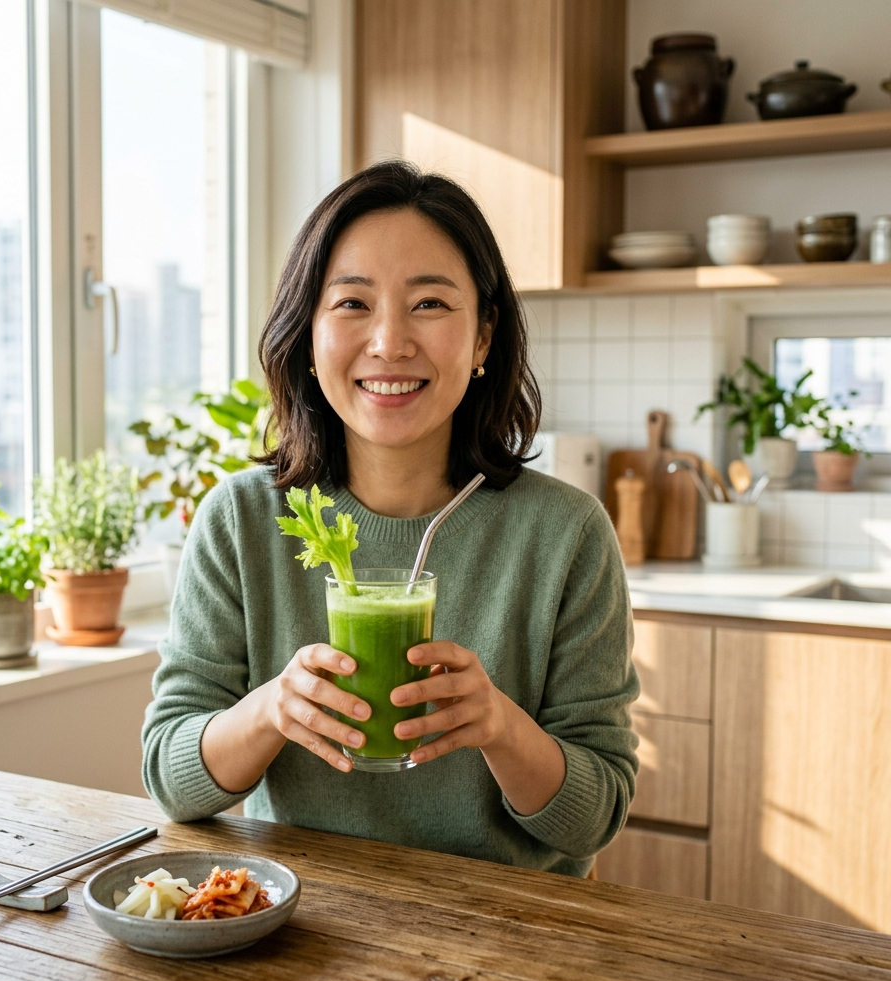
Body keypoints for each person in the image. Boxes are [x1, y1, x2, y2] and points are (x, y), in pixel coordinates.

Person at [142, 161, 638, 877]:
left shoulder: (566, 534)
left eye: (430, 304)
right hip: (303, 928)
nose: (389, 342)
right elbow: (170, 780)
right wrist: (271, 710)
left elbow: (597, 817)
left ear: (483, 340)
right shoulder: (243, 520)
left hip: (511, 940)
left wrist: (501, 728)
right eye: (351, 304)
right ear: (308, 336)